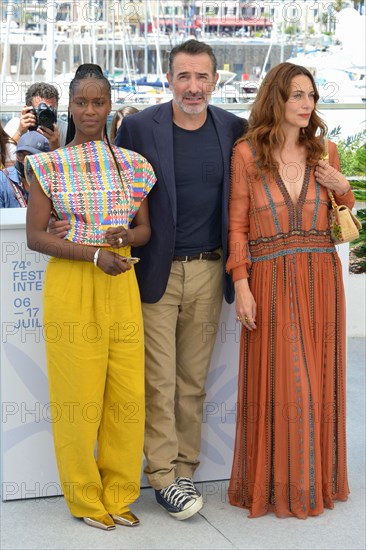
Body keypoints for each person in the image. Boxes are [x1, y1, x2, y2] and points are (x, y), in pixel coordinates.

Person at [115, 39, 247, 520]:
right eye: (184, 76)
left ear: (215, 80)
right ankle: (164, 476)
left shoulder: (234, 128)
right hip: (156, 272)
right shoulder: (139, 127)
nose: (193, 87)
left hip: (211, 271)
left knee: (192, 382)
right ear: (169, 79)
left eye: (202, 77)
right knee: (158, 381)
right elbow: (115, 189)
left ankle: (186, 468)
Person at [25, 63, 156, 530]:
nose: (90, 111)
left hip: (121, 280)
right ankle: (84, 498)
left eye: (99, 102)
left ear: (109, 106)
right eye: (81, 102)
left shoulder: (133, 165)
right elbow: (36, 238)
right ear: (69, 106)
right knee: (77, 398)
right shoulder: (45, 164)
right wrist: (93, 253)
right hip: (73, 283)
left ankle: (120, 493)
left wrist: (125, 237)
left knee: (125, 395)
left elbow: (145, 230)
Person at [226, 62, 352, 519]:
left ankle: (315, 482)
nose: (307, 105)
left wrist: (345, 190)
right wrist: (241, 284)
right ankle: (280, 486)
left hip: (321, 276)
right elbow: (237, 226)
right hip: (270, 281)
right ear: (276, 99)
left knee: (317, 381)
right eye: (297, 95)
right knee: (286, 382)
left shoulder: (327, 153)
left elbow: (343, 217)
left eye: (312, 96)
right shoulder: (246, 155)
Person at [4, 82, 66, 151]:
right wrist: (19, 133)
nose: (45, 115)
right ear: (27, 109)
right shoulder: (15, 125)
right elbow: (5, 156)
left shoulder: (64, 129)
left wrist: (56, 147)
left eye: (50, 109)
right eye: (40, 110)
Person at [0, 131, 49, 208]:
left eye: (31, 156)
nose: (24, 161)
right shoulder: (2, 180)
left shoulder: (52, 181)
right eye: (20, 155)